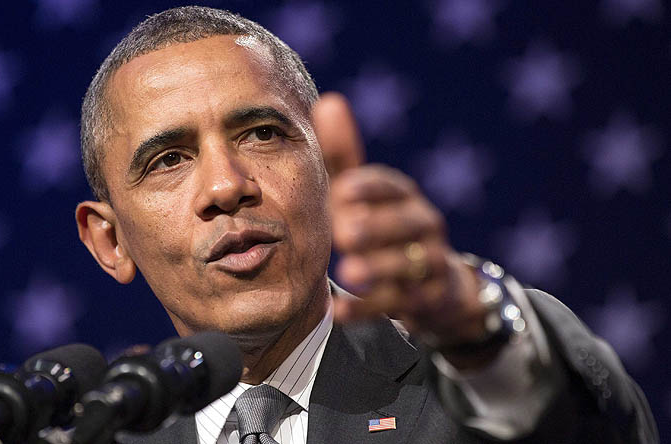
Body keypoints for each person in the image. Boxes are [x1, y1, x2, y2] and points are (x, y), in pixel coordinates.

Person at [74, 6, 657, 444]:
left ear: (326, 168)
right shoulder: (104, 433)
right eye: (169, 160)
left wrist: (481, 336)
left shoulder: (466, 381)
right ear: (110, 240)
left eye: (263, 134)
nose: (227, 186)